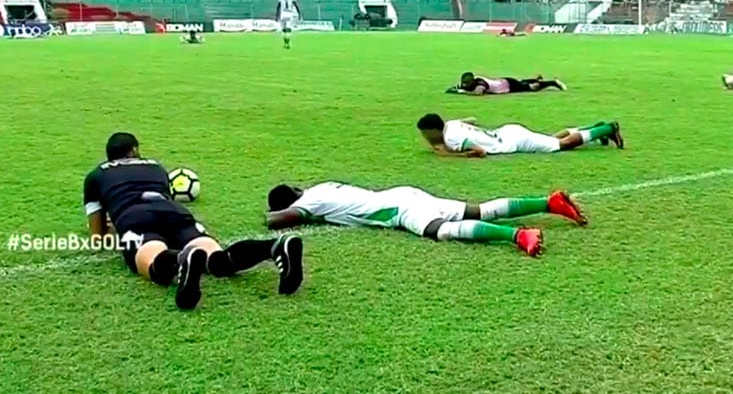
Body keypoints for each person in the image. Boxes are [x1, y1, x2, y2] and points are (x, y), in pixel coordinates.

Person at [83, 132, 304, 310]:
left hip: (136, 217)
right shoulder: (156, 167)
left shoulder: (96, 175)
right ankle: (274, 247)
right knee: (218, 260)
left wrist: (108, 230)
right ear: (134, 151)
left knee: (151, 260)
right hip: (175, 213)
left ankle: (182, 260)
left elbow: (97, 236)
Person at [265, 182, 588, 257]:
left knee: (441, 231)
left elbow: (278, 220)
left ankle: (517, 236)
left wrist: (269, 216)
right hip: (404, 193)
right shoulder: (320, 187)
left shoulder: (309, 202)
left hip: (398, 210)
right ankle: (548, 202)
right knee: (478, 209)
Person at [417, 114, 623, 158]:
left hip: (512, 141)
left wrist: (448, 154)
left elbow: (479, 152)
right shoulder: (451, 125)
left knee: (561, 145)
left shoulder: (451, 139)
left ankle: (607, 129)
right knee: (551, 138)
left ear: (434, 130)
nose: (425, 138)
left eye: (426, 135)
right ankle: (594, 128)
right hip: (506, 131)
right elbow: (471, 120)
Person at [445, 72, 566, 95]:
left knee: (531, 88)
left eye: (467, 83)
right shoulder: (467, 84)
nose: (465, 85)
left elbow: (478, 93)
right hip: (504, 81)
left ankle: (553, 83)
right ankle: (536, 79)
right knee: (523, 83)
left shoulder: (480, 84)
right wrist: (455, 90)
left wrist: (462, 92)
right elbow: (456, 87)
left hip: (508, 86)